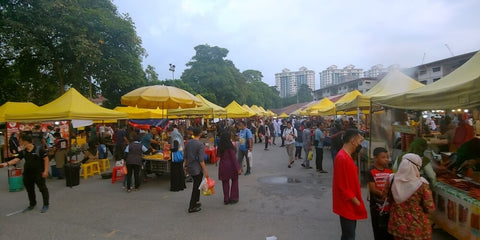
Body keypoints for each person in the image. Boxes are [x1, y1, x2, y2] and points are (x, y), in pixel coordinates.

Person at [388, 153, 435, 239]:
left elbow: (386, 197)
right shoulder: (422, 184)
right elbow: (429, 206)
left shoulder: (391, 179)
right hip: (417, 226)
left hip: (397, 224)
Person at [1, 133, 50, 213]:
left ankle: (46, 204)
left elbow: (46, 159)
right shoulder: (23, 151)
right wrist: (6, 163)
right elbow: (17, 159)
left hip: (38, 173)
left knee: (42, 189)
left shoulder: (39, 149)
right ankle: (32, 204)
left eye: (20, 141)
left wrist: (45, 171)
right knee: (30, 190)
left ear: (25, 141)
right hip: (27, 174)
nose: (19, 143)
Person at [332, 129, 367, 240]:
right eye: (359, 141)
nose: (360, 144)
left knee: (348, 234)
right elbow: (343, 186)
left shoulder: (346, 156)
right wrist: (357, 202)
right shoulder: (342, 158)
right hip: (347, 203)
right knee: (349, 235)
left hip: (349, 202)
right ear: (353, 140)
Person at [367, 147, 394, 240]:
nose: (386, 159)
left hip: (389, 207)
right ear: (375, 158)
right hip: (377, 208)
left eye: (387, 157)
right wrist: (384, 194)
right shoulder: (371, 171)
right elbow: (373, 189)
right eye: (383, 157)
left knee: (389, 232)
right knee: (379, 231)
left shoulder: (390, 171)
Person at [184, 127, 209, 213]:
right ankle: (192, 206)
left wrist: (186, 166)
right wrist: (205, 171)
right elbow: (201, 160)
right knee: (196, 187)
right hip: (197, 168)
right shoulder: (200, 145)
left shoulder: (188, 142)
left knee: (197, 185)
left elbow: (185, 156)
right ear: (200, 134)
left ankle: (196, 201)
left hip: (191, 166)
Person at [217, 131, 241, 204]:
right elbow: (234, 159)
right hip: (231, 166)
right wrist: (238, 169)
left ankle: (226, 199)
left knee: (225, 182)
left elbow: (218, 157)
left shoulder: (220, 146)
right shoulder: (230, 147)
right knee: (234, 181)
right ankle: (233, 197)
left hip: (223, 166)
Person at [169, 125, 186, 192]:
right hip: (180, 155)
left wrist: (170, 149)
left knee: (175, 172)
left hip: (175, 156)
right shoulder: (179, 135)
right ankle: (181, 185)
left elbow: (175, 147)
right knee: (180, 171)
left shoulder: (175, 136)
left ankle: (176, 187)